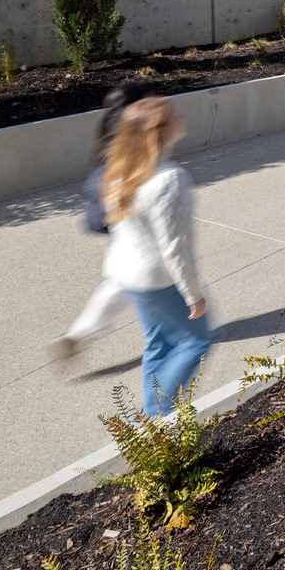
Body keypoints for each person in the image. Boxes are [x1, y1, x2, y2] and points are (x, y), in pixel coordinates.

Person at [100, 97, 214, 415]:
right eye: (173, 115)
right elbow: (174, 247)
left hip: (129, 278)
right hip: (158, 281)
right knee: (196, 342)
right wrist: (193, 295)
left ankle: (152, 418)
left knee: (158, 343)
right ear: (158, 131)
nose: (182, 116)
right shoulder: (168, 180)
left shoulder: (119, 173)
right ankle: (161, 419)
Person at [52, 83, 149, 360]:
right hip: (133, 223)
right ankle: (185, 331)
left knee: (120, 283)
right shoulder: (134, 132)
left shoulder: (108, 129)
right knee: (153, 279)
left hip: (116, 224)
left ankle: (77, 335)